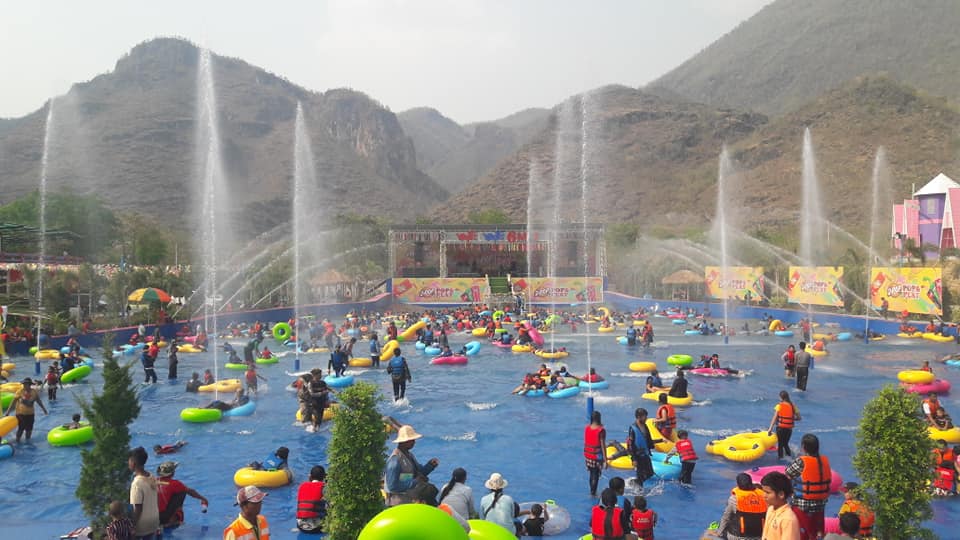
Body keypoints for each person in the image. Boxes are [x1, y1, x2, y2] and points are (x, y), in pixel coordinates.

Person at [785, 434, 831, 540]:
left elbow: (788, 473)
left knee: (801, 535)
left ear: (804, 447)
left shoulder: (801, 461)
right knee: (816, 535)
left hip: (802, 504)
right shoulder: (824, 460)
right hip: (820, 504)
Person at [384, 425, 438, 506]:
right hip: (398, 503)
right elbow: (392, 486)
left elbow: (418, 472)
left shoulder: (409, 455)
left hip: (409, 499)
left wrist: (430, 466)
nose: (414, 442)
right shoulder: (394, 461)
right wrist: (415, 482)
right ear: (404, 441)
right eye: (412, 440)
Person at [710, 473, 766, 540]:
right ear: (751, 482)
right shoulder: (764, 497)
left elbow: (726, 517)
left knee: (725, 523)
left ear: (738, 485)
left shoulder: (734, 498)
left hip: (738, 536)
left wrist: (719, 533)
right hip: (759, 536)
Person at [156, 461, 208, 528]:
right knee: (182, 492)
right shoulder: (175, 483)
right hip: (163, 518)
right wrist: (203, 498)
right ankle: (171, 521)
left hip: (152, 516)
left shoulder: (153, 481)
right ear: (172, 473)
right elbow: (191, 492)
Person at [128, 446, 160, 540]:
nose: (128, 463)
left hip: (143, 526)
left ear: (133, 463)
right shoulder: (151, 476)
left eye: (129, 461)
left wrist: (132, 527)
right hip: (154, 521)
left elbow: (138, 509)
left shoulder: (137, 483)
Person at [4, 378, 48, 443]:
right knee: (21, 428)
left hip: (30, 414)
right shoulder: (19, 392)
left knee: (29, 429)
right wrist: (8, 412)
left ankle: (27, 441)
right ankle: (18, 440)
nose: (24, 385)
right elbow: (13, 402)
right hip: (20, 413)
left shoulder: (34, 392)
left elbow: (38, 401)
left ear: (30, 384)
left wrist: (44, 409)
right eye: (24, 384)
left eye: (26, 384)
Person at [760, 471, 801, 540]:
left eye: (767, 492)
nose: (764, 495)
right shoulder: (770, 509)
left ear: (781, 494)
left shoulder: (788, 519)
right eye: (763, 491)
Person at [626, 408, 660, 489]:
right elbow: (630, 445)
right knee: (640, 474)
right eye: (645, 417)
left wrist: (658, 442)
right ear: (639, 417)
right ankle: (639, 491)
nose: (646, 418)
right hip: (637, 455)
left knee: (650, 473)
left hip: (645, 454)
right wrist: (633, 459)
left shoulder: (645, 426)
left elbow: (648, 440)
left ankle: (635, 482)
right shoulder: (633, 428)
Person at [768, 390, 800, 459]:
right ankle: (790, 458)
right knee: (785, 444)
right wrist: (790, 419)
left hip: (780, 428)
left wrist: (770, 429)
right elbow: (799, 418)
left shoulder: (779, 406)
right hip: (789, 429)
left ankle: (780, 459)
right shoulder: (793, 406)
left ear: (781, 397)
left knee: (780, 444)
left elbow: (774, 418)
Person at [296, 465, 327, 534]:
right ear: (324, 477)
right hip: (315, 527)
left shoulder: (302, 486)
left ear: (310, 476)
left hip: (300, 525)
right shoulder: (323, 487)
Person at [584, 410, 608, 496]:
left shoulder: (587, 428)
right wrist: (605, 460)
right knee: (595, 475)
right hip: (596, 457)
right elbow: (602, 445)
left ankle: (592, 491)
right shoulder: (601, 430)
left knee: (592, 473)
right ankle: (593, 493)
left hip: (588, 456)